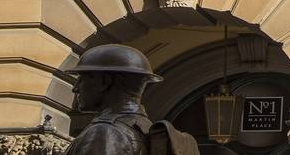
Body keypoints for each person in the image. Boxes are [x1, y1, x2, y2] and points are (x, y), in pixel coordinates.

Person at [65, 45, 195, 155]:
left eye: (81, 79)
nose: (75, 88)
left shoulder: (104, 133)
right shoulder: (144, 129)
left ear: (104, 82)